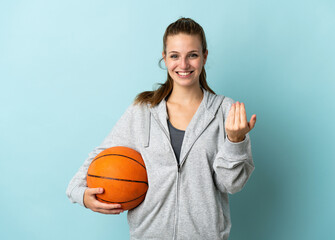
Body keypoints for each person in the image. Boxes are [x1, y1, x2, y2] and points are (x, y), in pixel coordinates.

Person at [66, 17, 257, 240]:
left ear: (204, 56)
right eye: (175, 56)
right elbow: (99, 159)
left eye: (192, 55)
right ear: (165, 58)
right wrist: (81, 195)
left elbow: (231, 185)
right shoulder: (143, 111)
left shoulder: (225, 111)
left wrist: (236, 142)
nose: (183, 65)